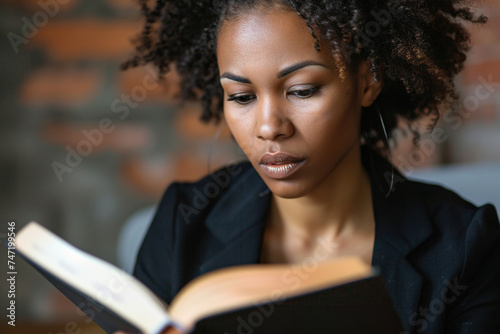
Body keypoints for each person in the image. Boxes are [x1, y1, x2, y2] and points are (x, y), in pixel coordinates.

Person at [116, 1, 500, 333]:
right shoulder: (182, 223)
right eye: (242, 96)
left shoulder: (465, 245)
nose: (269, 127)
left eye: (302, 90)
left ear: (369, 81)